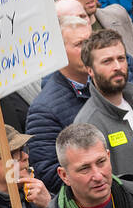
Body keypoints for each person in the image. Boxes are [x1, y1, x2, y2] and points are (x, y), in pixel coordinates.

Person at [73, 29, 133, 196]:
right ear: (90, 70)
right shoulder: (87, 124)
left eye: (121, 59)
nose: (117, 67)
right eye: (107, 61)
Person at [25, 15, 93, 189]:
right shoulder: (43, 110)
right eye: (79, 44)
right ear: (59, 51)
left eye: (91, 41)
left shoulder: (108, 84)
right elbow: (49, 173)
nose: (89, 50)